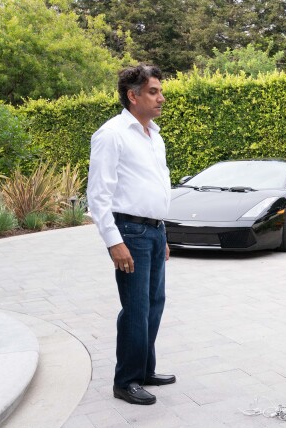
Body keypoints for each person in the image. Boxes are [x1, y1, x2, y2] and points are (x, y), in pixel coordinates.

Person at [87, 64, 175, 405]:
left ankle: (144, 369)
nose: (161, 98)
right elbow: (98, 195)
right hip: (131, 232)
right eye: (153, 91)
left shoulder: (154, 135)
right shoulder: (111, 134)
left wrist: (162, 232)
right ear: (132, 95)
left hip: (153, 231)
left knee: (154, 303)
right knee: (136, 308)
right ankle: (126, 380)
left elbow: (153, 187)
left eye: (160, 91)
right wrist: (114, 242)